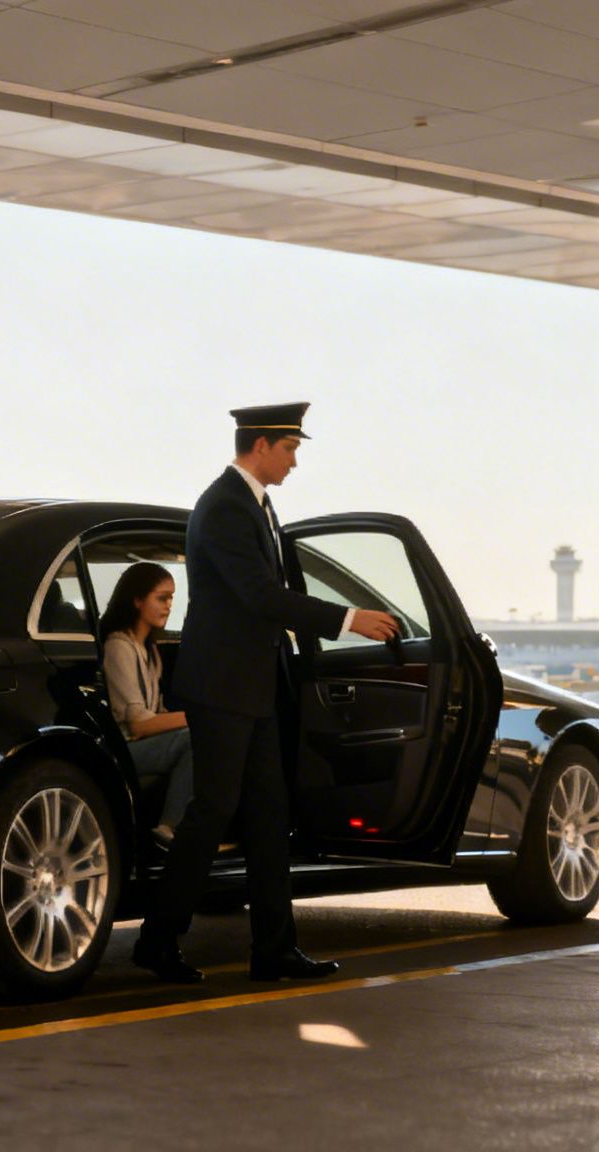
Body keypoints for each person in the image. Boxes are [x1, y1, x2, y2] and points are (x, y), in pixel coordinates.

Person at [132, 402, 399, 985]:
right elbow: (258, 595)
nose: (296, 461)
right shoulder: (225, 506)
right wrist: (348, 617)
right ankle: (157, 941)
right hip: (221, 687)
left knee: (268, 816)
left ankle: (274, 950)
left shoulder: (258, 504)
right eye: (291, 448)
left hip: (250, 689)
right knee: (212, 812)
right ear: (261, 446)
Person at [98, 562, 193, 843]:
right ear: (138, 600)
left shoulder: (150, 650)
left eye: (171, 599)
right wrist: (196, 718)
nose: (168, 606)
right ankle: (169, 828)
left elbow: (157, 712)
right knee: (197, 737)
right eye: (162, 598)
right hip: (125, 748)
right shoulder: (119, 647)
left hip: (141, 743)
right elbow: (139, 724)